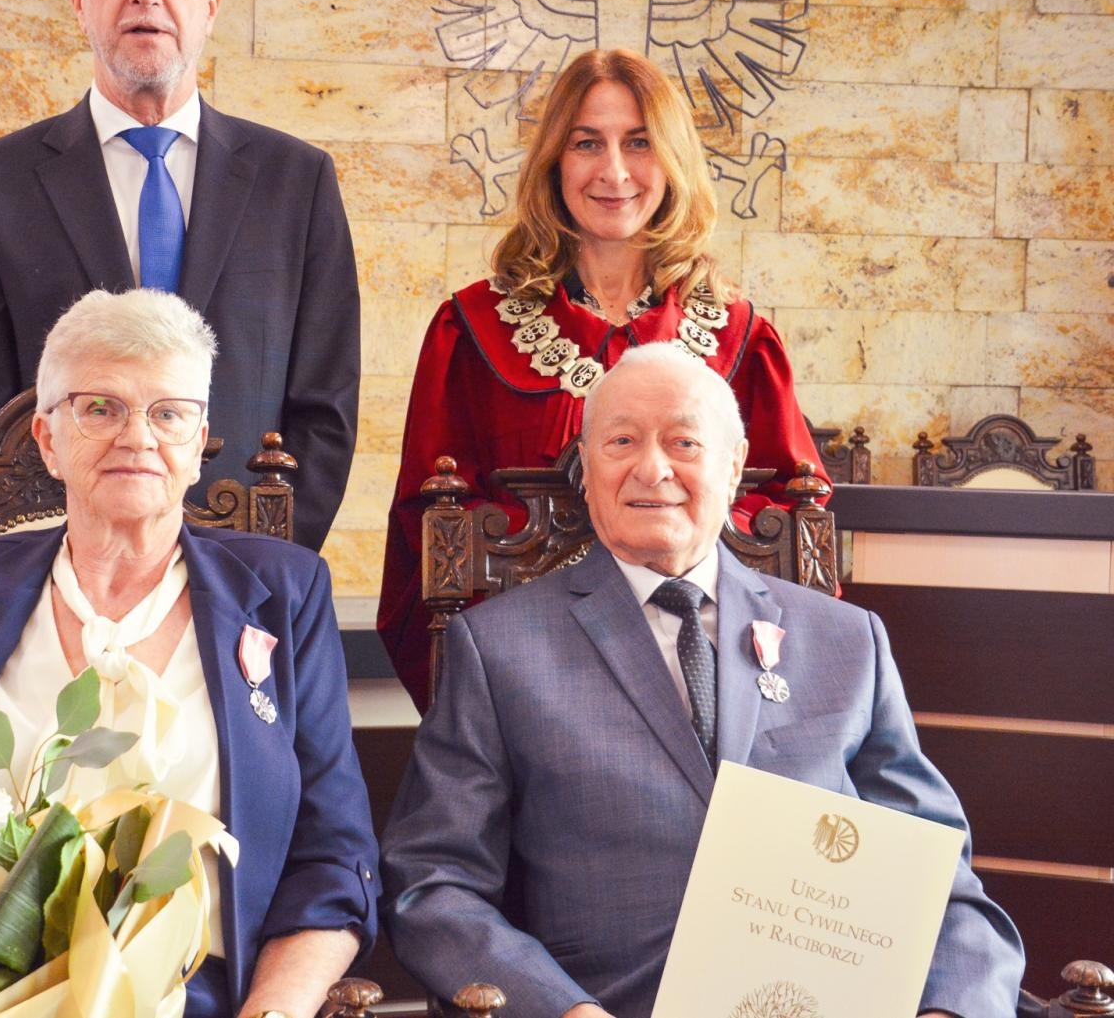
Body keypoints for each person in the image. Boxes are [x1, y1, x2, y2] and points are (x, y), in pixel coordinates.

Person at [380, 343, 1025, 1018]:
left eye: (684, 441)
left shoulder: (846, 640)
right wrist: (563, 1011)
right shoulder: (499, 648)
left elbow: (943, 882)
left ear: (735, 466)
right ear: (586, 466)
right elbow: (432, 882)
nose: (651, 468)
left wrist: (950, 1009)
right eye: (621, 440)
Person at [0, 290, 379, 1018]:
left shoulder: (284, 593)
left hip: (199, 999)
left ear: (199, 440)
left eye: (168, 412)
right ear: (49, 439)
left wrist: (273, 1010)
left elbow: (333, 857)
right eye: (101, 408)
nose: (138, 437)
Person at [379, 47, 825, 711]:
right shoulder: (468, 330)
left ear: (671, 162)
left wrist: (669, 541)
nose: (614, 171)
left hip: (700, 674)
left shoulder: (742, 338)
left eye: (639, 142)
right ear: (556, 162)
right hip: (533, 679)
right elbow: (428, 531)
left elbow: (796, 519)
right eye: (588, 142)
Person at [0, 0, 360, 553]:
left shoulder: (297, 183)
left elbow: (325, 409)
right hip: (56, 582)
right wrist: (60, 567)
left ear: (212, 1)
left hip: (244, 576)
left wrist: (268, 560)